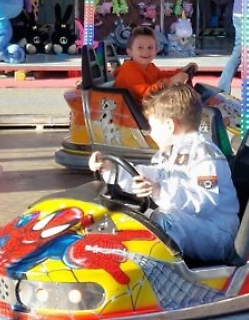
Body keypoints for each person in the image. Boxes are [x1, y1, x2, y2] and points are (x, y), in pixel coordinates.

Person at [89, 83, 238, 263]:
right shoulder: (169, 152)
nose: (150, 133)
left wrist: (159, 190)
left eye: (152, 127)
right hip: (191, 227)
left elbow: (203, 201)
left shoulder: (205, 155)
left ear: (169, 125)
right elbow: (151, 176)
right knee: (127, 215)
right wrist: (111, 168)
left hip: (216, 235)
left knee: (164, 221)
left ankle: (150, 269)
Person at [113, 25, 196, 105]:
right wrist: (170, 82)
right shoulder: (128, 70)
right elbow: (146, 94)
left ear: (156, 50)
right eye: (140, 48)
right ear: (130, 51)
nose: (146, 52)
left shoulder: (150, 67)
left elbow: (162, 75)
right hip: (135, 112)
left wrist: (181, 70)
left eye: (150, 48)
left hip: (147, 107)